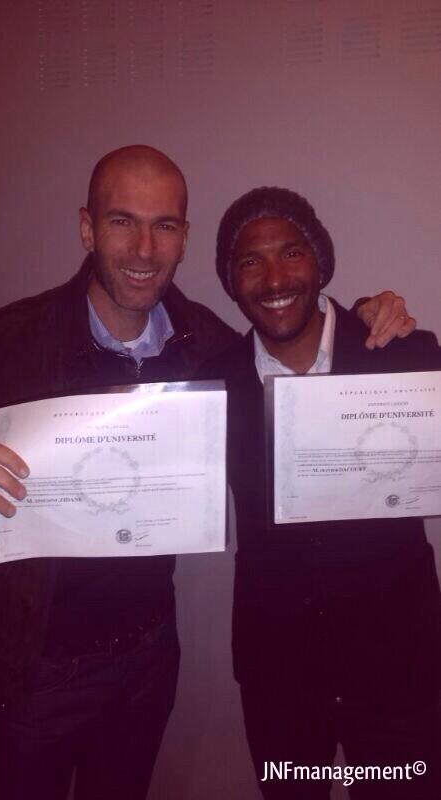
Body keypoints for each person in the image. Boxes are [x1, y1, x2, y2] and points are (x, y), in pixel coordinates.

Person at [0, 147, 416, 800]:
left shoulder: (208, 347)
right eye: (122, 221)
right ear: (87, 228)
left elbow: (297, 330)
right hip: (30, 675)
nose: (144, 248)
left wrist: (371, 312)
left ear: (183, 238)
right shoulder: (8, 342)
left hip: (146, 665)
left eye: (163, 225)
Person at [208, 187, 441, 799]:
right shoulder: (213, 383)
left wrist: (370, 308)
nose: (274, 278)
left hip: (399, 677)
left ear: (320, 262)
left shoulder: (406, 357)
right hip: (279, 678)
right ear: (230, 280)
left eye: (291, 253)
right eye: (250, 261)